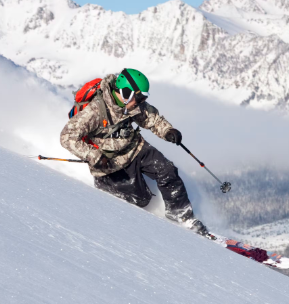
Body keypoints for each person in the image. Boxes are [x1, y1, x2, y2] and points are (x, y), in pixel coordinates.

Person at [60, 68, 208, 235]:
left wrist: (168, 131)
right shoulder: (95, 111)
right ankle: (109, 188)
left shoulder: (131, 104)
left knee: (167, 170)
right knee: (141, 199)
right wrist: (94, 156)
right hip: (109, 163)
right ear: (125, 93)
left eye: (143, 98)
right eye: (139, 97)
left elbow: (151, 118)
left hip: (135, 148)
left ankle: (182, 217)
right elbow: (67, 137)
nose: (141, 101)